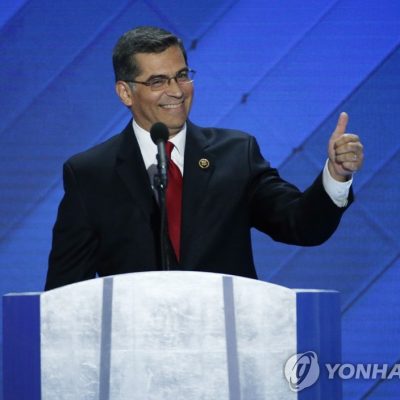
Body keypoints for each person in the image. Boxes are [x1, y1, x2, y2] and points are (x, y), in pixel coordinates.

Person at [44, 26, 364, 290]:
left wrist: (336, 175)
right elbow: (65, 291)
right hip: (135, 344)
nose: (176, 91)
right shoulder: (90, 174)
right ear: (125, 92)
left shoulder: (236, 154)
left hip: (227, 340)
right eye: (158, 81)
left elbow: (301, 225)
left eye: (182, 75)